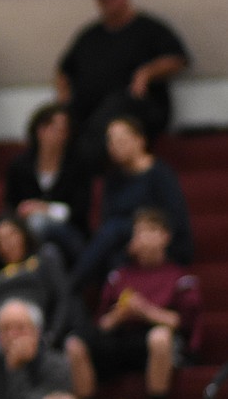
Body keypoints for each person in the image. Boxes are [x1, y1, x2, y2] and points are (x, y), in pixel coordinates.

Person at [66, 208, 202, 399]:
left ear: (165, 237)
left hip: (156, 345)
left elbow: (183, 322)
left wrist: (145, 311)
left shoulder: (180, 277)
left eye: (150, 231)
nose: (143, 238)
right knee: (75, 344)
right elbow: (101, 324)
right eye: (138, 232)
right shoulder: (119, 276)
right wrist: (118, 316)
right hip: (120, 340)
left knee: (160, 338)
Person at [56, 0, 189, 167]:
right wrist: (64, 97)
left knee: (114, 108)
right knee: (52, 120)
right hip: (89, 110)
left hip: (136, 108)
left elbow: (177, 59)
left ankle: (84, 165)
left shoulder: (149, 28)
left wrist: (147, 73)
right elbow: (64, 70)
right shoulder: (90, 35)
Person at [70, 116, 193, 291]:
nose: (114, 147)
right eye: (110, 142)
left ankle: (71, 286)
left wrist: (143, 236)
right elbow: (105, 220)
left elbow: (175, 220)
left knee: (114, 230)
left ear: (140, 140)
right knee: (112, 256)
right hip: (124, 244)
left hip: (161, 242)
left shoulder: (161, 174)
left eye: (121, 140)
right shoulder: (113, 179)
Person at [0, 215, 74, 369]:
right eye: (0, 240)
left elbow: (63, 298)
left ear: (23, 234)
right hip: (0, 334)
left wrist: (52, 336)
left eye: (11, 235)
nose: (7, 243)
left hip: (34, 331)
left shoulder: (43, 259)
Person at [3, 102, 92, 260]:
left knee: (37, 222)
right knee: (49, 253)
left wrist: (44, 209)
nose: (61, 135)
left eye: (64, 130)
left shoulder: (78, 165)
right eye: (55, 129)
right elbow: (11, 205)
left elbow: (79, 211)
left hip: (71, 234)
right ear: (40, 130)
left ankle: (24, 268)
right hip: (32, 234)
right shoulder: (20, 166)